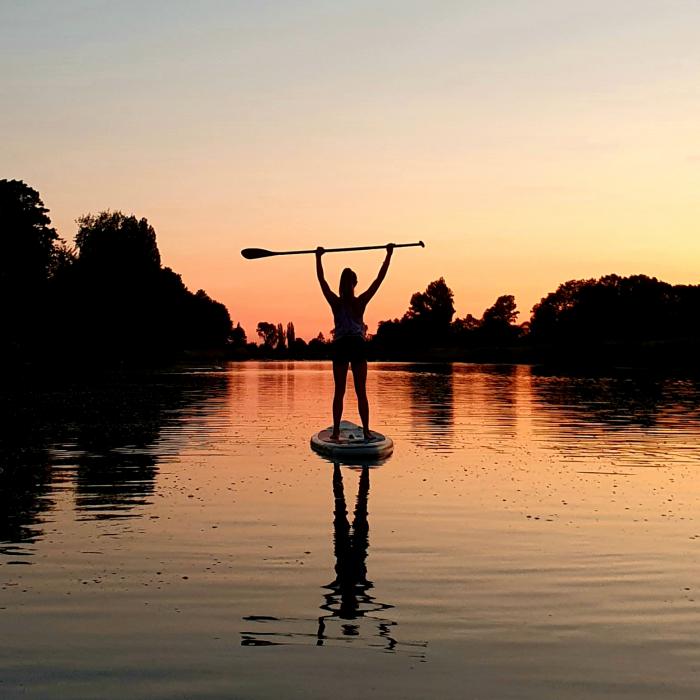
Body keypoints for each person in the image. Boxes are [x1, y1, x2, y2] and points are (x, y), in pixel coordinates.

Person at [315, 244, 394, 441]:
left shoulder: (338, 302)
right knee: (357, 391)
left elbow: (322, 281)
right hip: (353, 345)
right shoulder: (357, 302)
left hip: (344, 346)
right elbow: (378, 279)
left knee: (342, 391)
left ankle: (339, 432)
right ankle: (362, 431)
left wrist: (318, 258)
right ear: (354, 283)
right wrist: (388, 255)